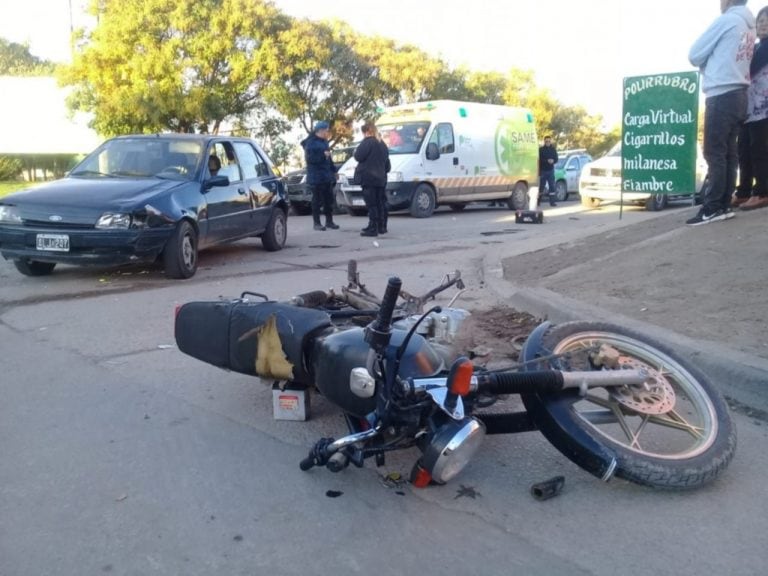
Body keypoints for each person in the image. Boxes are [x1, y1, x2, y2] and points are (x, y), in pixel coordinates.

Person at [687, 0, 756, 226]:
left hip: (721, 93)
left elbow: (695, 54)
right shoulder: (749, 25)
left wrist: (707, 64)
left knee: (714, 152)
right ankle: (724, 204)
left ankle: (712, 207)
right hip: (740, 93)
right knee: (729, 154)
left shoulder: (726, 21)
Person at [738, 5, 768, 210]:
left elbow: (749, 66)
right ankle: (744, 190)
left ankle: (762, 191)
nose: (763, 24)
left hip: (763, 108)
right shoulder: (756, 45)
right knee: (743, 150)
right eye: (760, 21)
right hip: (749, 108)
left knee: (758, 150)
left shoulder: (765, 47)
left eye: (767, 21)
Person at [354, 122, 391, 237]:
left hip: (369, 178)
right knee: (380, 203)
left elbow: (358, 156)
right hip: (381, 178)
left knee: (371, 204)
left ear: (365, 132)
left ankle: (372, 227)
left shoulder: (367, 143)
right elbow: (387, 164)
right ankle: (382, 226)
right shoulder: (382, 144)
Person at [301, 121, 339, 231]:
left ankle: (329, 221)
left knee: (329, 199)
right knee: (316, 200)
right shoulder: (311, 143)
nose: (328, 132)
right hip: (315, 176)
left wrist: (334, 170)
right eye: (327, 130)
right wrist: (323, 156)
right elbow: (310, 160)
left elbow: (329, 158)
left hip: (326, 175)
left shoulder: (325, 142)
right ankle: (316, 223)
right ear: (321, 130)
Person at [538, 136, 559, 207]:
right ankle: (538, 201)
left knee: (552, 186)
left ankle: (552, 202)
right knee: (541, 187)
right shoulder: (541, 150)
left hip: (551, 170)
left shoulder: (553, 150)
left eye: (549, 141)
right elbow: (539, 160)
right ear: (544, 142)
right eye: (546, 141)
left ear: (551, 142)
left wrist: (553, 161)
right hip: (543, 171)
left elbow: (556, 159)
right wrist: (547, 161)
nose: (548, 142)